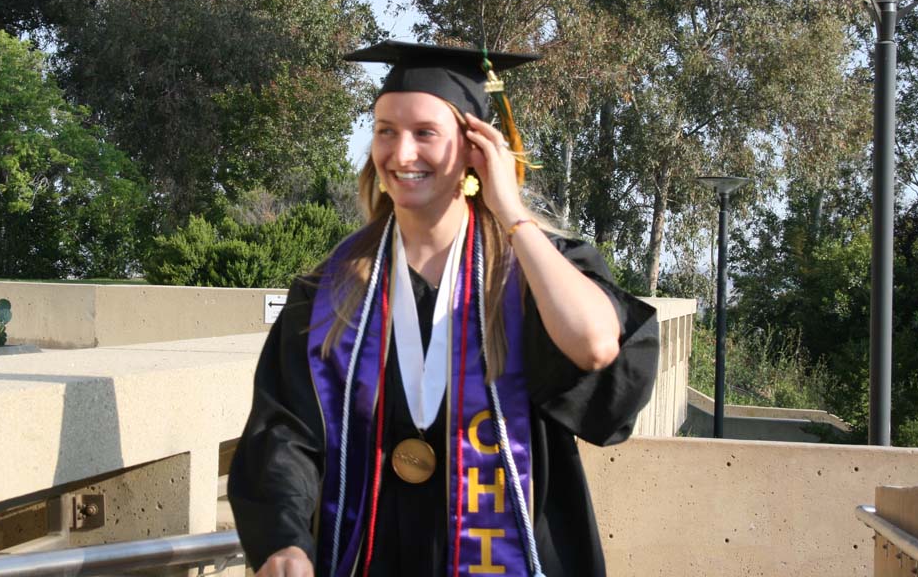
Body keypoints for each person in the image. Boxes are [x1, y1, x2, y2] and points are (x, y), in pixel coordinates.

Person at [228, 41, 659, 577]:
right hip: (370, 557)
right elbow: (285, 433)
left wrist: (511, 213)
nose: (400, 153)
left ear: (476, 148)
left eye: (425, 133)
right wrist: (285, 542)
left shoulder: (536, 274)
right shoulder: (331, 290)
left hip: (512, 554)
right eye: (386, 130)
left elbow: (596, 347)